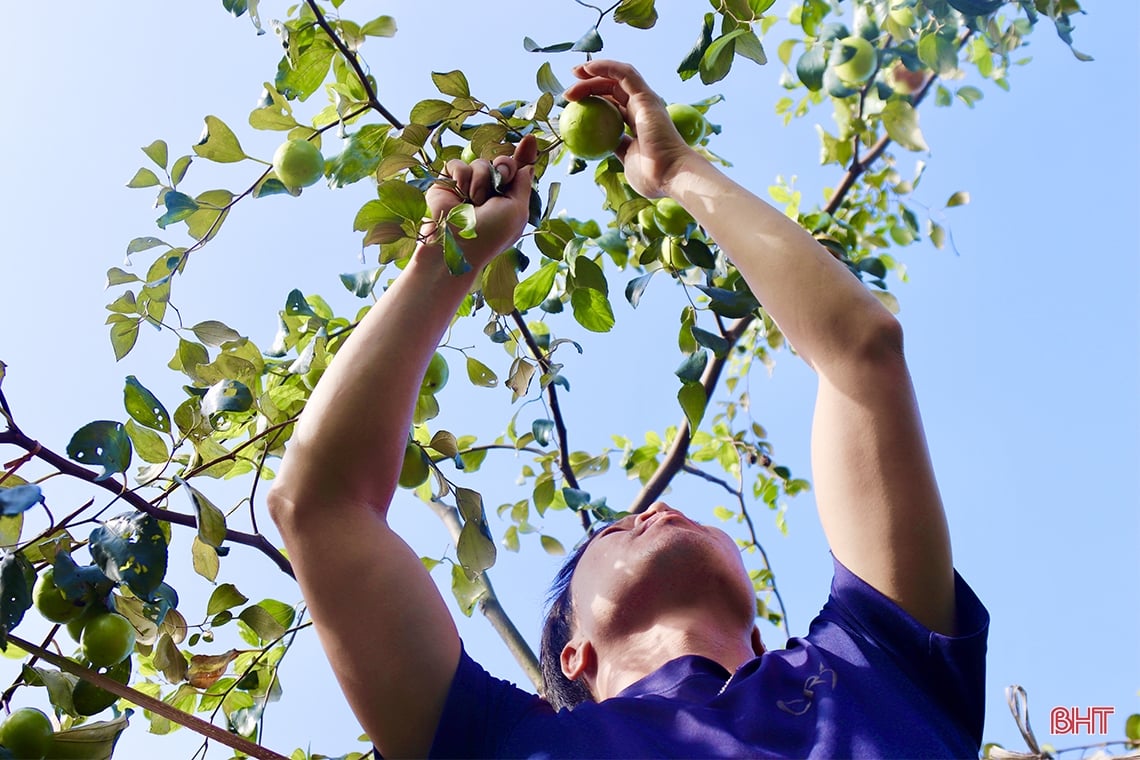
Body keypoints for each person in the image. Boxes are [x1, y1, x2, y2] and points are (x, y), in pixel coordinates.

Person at [268, 60, 988, 759]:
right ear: (574, 653)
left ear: (765, 636)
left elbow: (862, 351)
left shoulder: (871, 662)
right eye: (611, 529)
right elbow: (318, 505)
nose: (656, 511)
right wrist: (445, 259)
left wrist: (676, 171)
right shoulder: (500, 745)